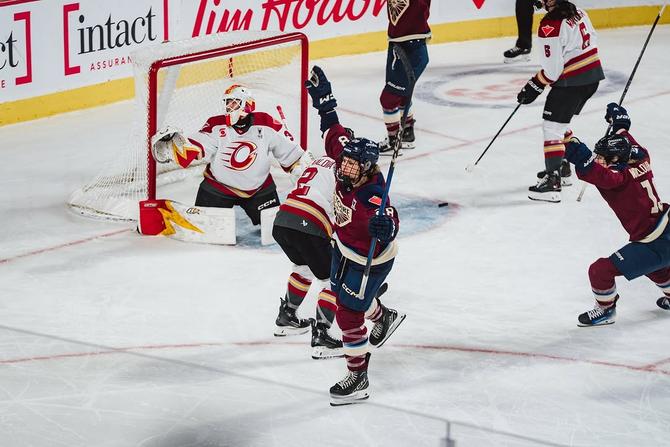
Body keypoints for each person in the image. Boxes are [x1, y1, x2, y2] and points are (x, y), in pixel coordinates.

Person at [305, 66, 406, 405]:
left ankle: (358, 376)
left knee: (348, 314)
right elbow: (334, 131)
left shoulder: (372, 194)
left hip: (370, 260)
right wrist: (325, 101)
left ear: (366, 169)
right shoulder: (347, 160)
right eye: (343, 162)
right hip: (343, 247)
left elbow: (390, 220)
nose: (342, 168)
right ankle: (384, 317)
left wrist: (386, 227)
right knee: (340, 294)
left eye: (350, 166)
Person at [563, 103, 670, 326]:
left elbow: (589, 168)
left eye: (603, 157)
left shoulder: (616, 180)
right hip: (663, 229)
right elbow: (623, 135)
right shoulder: (640, 157)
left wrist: (571, 144)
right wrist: (619, 123)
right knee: (656, 268)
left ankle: (605, 310)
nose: (599, 159)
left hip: (654, 241)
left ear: (616, 160)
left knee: (600, 270)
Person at [151, 83, 306, 225]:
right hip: (218, 188)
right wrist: (179, 148)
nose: (229, 107)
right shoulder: (216, 125)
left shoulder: (266, 123)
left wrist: (298, 168)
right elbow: (198, 147)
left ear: (247, 104)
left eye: (234, 102)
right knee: (204, 225)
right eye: (227, 103)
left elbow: (290, 153)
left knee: (275, 228)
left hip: (259, 189)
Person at [516, 0, 605, 203]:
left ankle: (552, 182)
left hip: (572, 83)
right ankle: (563, 165)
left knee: (552, 127)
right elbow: (594, 38)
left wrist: (533, 85)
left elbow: (552, 71)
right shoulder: (579, 11)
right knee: (561, 123)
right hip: (592, 78)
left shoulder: (551, 26)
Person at [272, 152, 344, 359]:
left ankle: (287, 317)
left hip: (283, 219)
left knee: (303, 267)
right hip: (308, 222)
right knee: (333, 280)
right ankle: (323, 336)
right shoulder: (343, 170)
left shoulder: (317, 162)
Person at [378, 0, 431, 154]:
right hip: (401, 43)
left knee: (389, 97)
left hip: (409, 46)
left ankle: (395, 140)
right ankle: (407, 134)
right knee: (401, 94)